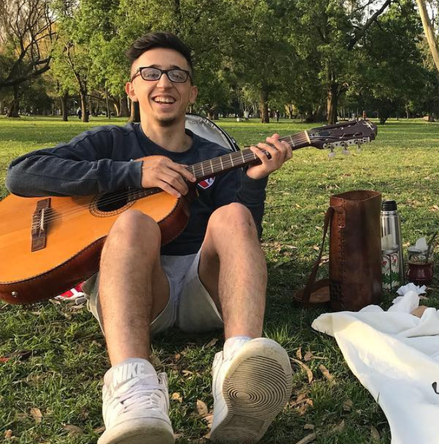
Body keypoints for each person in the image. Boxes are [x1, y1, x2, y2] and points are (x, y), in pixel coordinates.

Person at [5, 32, 293, 444]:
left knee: (233, 215)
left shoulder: (215, 154)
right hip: (136, 291)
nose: (164, 82)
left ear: (191, 92)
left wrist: (256, 182)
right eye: (151, 72)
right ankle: (133, 388)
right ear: (132, 88)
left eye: (177, 74)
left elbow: (245, 242)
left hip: (203, 289)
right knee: (136, 221)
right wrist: (130, 173)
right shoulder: (109, 142)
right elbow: (22, 173)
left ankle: (239, 374)